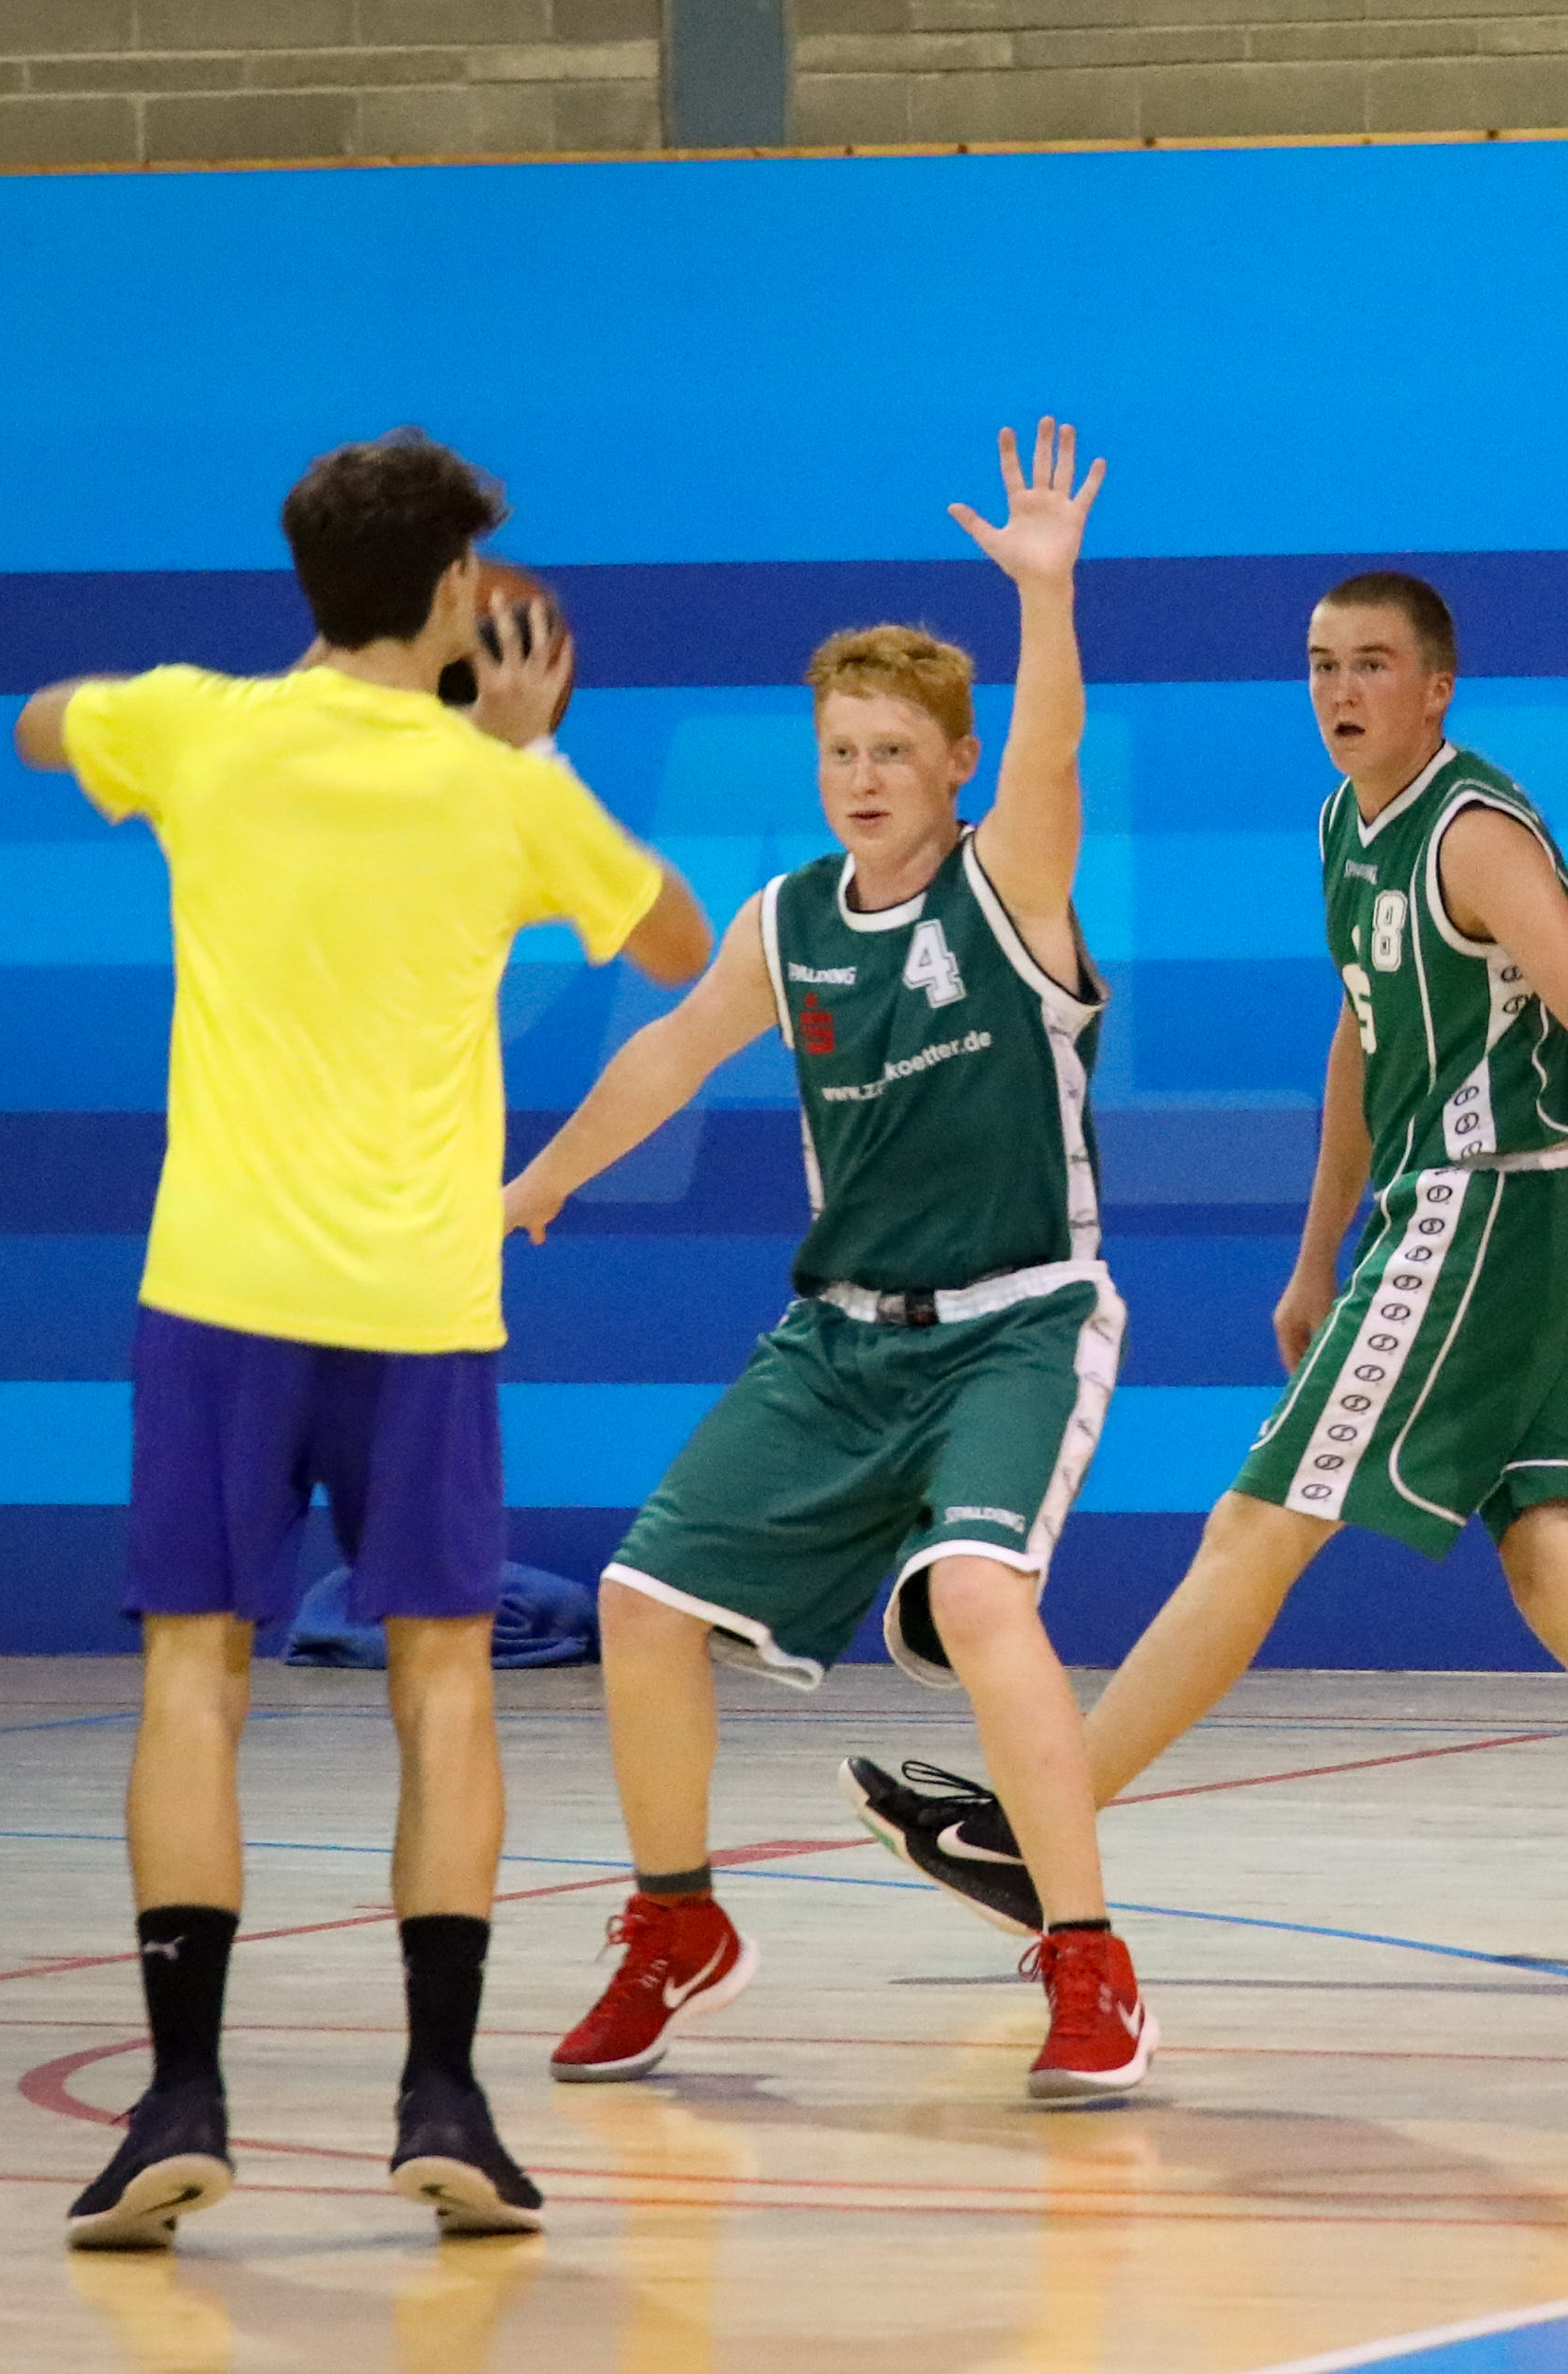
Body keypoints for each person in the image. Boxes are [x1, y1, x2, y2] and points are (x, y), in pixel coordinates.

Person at [844, 568, 1568, 1981]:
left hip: (1489, 1203)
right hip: (1475, 1224)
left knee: (1256, 1525)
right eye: (1321, 664)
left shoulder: (1471, 832)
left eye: (1371, 663)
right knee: (1558, 1566)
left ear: (1436, 687)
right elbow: (1363, 1032)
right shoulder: (1344, 823)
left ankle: (1029, 1829)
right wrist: (1316, 1249)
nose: (1339, 689)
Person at [18, 430, 711, 2248]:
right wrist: (533, 749)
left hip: (219, 1291)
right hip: (417, 1306)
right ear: (457, 593)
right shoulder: (500, 792)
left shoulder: (197, 728)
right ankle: (444, 2101)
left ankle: (180, 2098)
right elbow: (674, 940)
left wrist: (152, 717)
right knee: (444, 1683)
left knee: (194, 1674)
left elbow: (36, 724)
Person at [508, 424, 1160, 2104]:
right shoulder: (788, 920)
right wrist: (540, 1182)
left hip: (1017, 1320)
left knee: (979, 1593)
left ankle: (1086, 1957)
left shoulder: (1010, 886)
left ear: (955, 766)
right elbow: (667, 1054)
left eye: (894, 752)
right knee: (639, 1604)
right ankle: (675, 1923)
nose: (862, 776)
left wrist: (1045, 595)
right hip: (842, 1338)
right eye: (840, 750)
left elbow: (1056, 748)